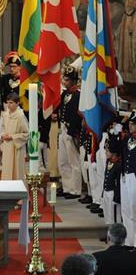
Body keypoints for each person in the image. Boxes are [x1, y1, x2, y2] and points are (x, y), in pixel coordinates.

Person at [58, 66, 83, 199]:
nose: (64, 81)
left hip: (71, 131)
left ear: (73, 81)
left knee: (73, 161)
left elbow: (77, 116)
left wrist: (72, 132)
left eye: (67, 80)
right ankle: (67, 187)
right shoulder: (64, 94)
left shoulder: (78, 96)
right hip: (62, 129)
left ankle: (75, 189)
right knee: (63, 160)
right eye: (64, 79)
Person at [0, 93, 29, 181]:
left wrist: (12, 137)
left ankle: (18, 190)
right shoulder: (5, 115)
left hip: (16, 147)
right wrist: (3, 135)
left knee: (17, 171)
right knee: (7, 169)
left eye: (11, 103)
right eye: (8, 103)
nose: (9, 105)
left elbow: (26, 133)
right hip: (7, 147)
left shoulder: (20, 116)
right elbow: (3, 128)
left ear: (17, 103)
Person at [120, 111, 136, 246]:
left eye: (133, 124)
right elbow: (118, 151)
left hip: (135, 176)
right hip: (126, 175)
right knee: (126, 209)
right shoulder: (127, 139)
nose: (130, 126)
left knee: (134, 208)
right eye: (130, 124)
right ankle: (129, 241)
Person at [102, 134, 122, 227]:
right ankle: (109, 236)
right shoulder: (108, 162)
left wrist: (116, 198)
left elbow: (118, 183)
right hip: (106, 192)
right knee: (107, 216)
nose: (106, 152)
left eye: (107, 150)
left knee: (114, 217)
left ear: (113, 152)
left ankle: (115, 237)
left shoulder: (118, 165)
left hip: (113, 193)